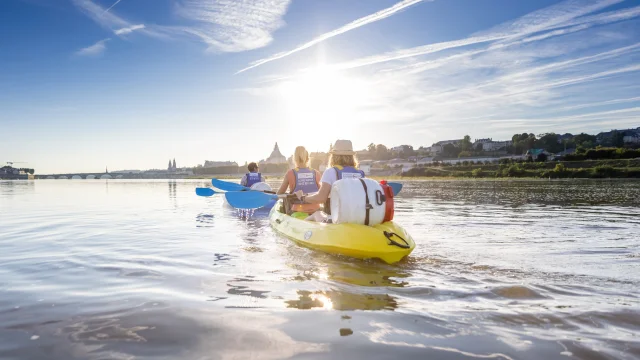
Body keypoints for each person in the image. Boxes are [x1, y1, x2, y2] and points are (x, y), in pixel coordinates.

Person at [294, 140, 365, 222]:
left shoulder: (331, 172)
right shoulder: (360, 173)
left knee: (317, 214)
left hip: (335, 217)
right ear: (352, 156)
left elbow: (321, 198)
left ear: (334, 156)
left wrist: (303, 198)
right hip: (357, 216)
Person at [277, 146, 321, 218]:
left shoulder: (290, 173)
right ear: (307, 158)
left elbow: (279, 194)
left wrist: (289, 194)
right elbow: (322, 192)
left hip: (297, 211)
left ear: (295, 159)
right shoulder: (316, 173)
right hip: (316, 210)